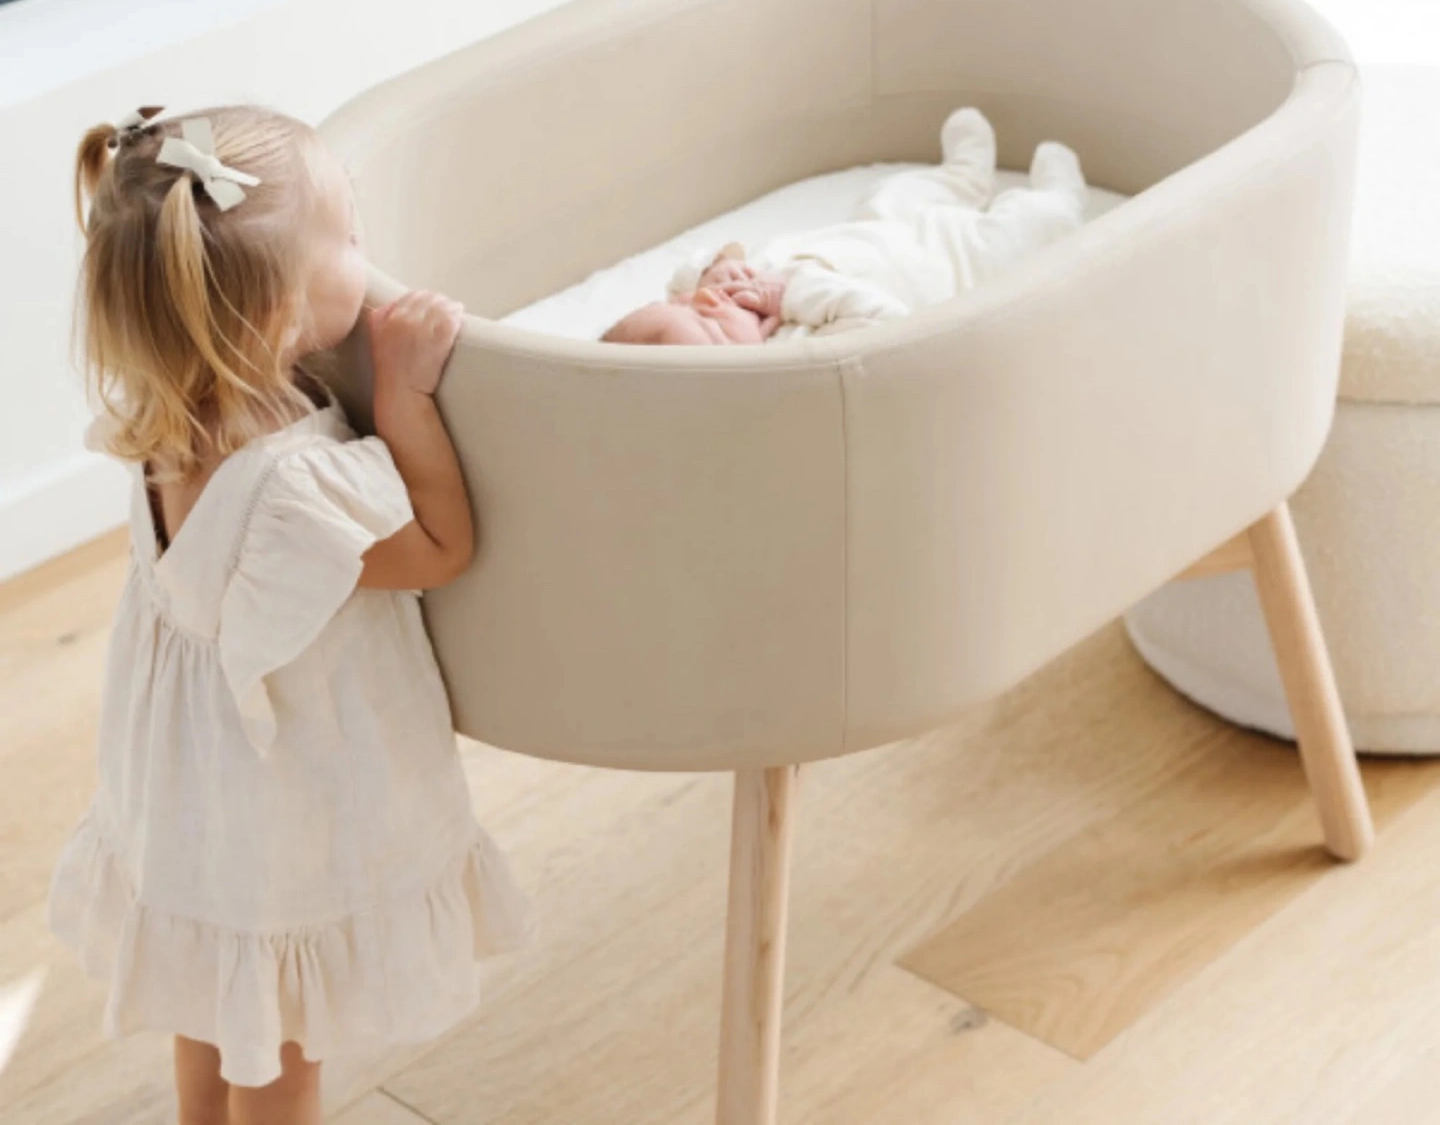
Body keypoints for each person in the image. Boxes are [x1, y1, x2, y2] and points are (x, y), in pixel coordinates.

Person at [49, 105, 527, 1124]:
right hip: (277, 808)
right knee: (282, 1040)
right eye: (349, 237)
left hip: (187, 790)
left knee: (213, 988)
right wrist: (405, 397)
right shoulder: (293, 486)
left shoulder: (163, 410)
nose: (365, 248)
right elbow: (444, 546)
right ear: (275, 314)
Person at [602, 108, 1087, 345]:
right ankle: (1062, 198)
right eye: (713, 328)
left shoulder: (713, 293)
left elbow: (708, 260)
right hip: (953, 263)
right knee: (1025, 232)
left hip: (880, 228)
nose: (711, 303)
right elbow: (886, 328)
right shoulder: (795, 348)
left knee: (890, 194)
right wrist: (789, 295)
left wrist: (717, 270)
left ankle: (964, 176)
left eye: (686, 305)